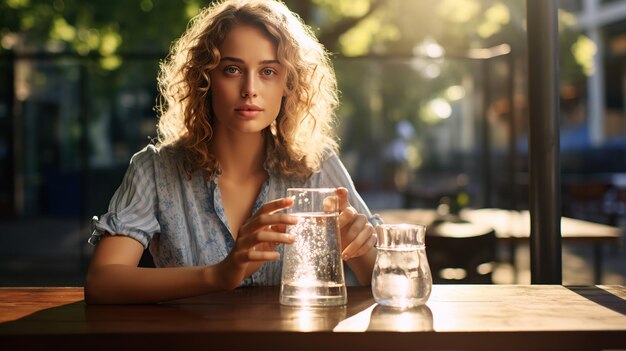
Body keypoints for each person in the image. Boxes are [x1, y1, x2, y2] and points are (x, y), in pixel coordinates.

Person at [85, 0, 381, 304]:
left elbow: (389, 282)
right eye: (232, 69)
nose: (249, 88)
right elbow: (102, 281)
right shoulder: (155, 169)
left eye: (268, 71)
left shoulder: (317, 166)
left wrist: (360, 245)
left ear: (288, 84)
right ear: (204, 79)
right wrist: (218, 275)